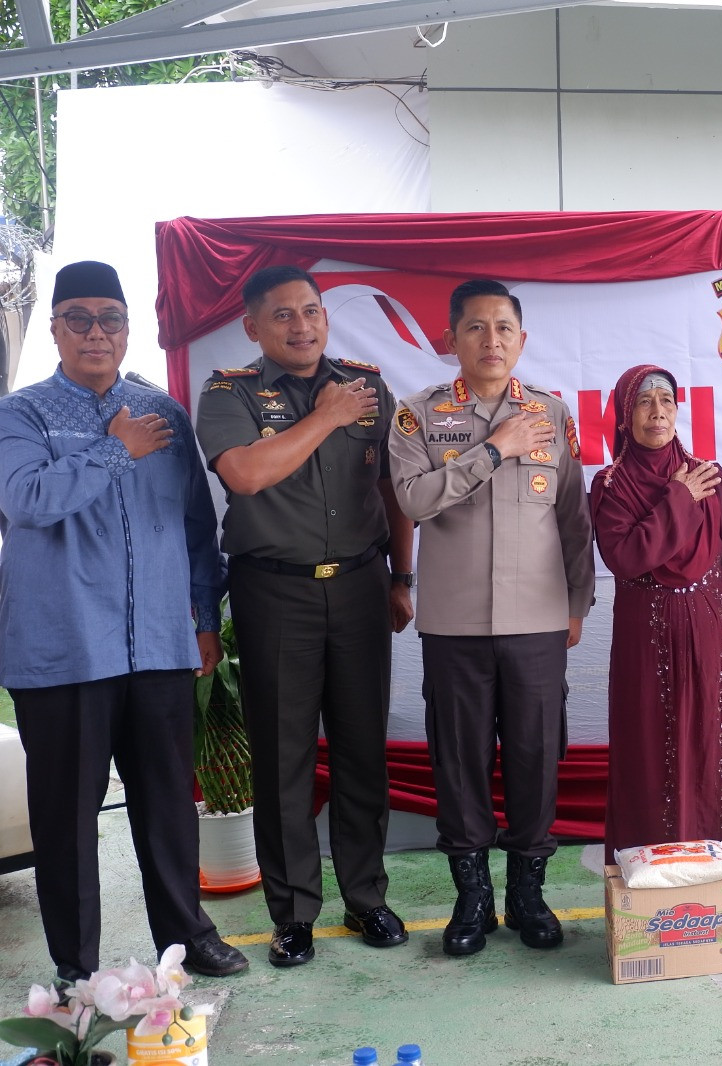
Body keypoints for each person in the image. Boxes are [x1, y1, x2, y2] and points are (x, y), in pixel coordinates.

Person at [0, 261, 248, 981]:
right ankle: (76, 967)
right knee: (68, 820)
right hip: (66, 648)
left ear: (127, 328)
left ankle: (188, 936)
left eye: (109, 317)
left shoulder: (165, 414)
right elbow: (24, 500)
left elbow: (198, 526)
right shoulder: (23, 414)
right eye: (78, 318)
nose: (96, 332)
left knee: (168, 802)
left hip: (160, 646)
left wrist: (203, 616)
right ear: (54, 329)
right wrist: (116, 450)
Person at [195, 264, 416, 967]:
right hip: (274, 593)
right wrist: (325, 416)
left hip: (359, 587)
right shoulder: (228, 391)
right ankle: (293, 917)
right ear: (253, 327)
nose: (303, 326)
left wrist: (402, 577)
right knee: (285, 760)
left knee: (361, 752)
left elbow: (391, 487)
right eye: (285, 315)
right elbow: (247, 474)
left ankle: (367, 898)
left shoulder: (367, 386)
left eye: (313, 311)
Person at [389, 280, 595, 954]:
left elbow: (574, 519)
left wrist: (577, 602)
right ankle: (472, 899)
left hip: (537, 619)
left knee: (536, 755)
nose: (491, 341)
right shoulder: (417, 416)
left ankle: (527, 894)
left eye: (504, 328)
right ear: (451, 339)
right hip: (454, 624)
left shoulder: (552, 414)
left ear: (522, 339)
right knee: (461, 760)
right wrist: (495, 448)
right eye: (476, 328)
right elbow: (415, 501)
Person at [590, 364, 722, 858]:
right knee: (650, 755)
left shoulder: (708, 474)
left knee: (718, 752)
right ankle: (651, 879)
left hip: (717, 634)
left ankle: (721, 877)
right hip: (645, 638)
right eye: (645, 402)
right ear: (625, 417)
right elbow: (627, 557)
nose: (658, 412)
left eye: (667, 401)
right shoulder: (611, 485)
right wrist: (678, 497)